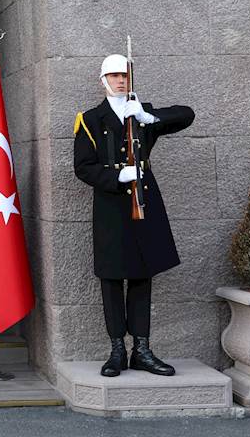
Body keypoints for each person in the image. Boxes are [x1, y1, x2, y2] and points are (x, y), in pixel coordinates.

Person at [74, 53, 194, 378]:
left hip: (144, 205)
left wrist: (146, 116)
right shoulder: (90, 120)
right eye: (113, 76)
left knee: (142, 277)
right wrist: (116, 178)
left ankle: (142, 349)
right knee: (112, 278)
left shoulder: (140, 114)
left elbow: (186, 115)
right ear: (102, 81)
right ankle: (117, 350)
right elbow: (82, 168)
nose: (120, 80)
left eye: (124, 76)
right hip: (112, 209)